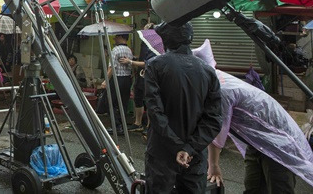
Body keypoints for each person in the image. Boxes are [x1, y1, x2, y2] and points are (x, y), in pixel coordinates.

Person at [192, 42, 313, 193]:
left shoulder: (220, 89)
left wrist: (214, 165)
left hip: (277, 142)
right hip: (255, 142)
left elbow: (217, 128)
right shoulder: (211, 81)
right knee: (253, 187)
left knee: (279, 187)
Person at [144, 22, 222, 194]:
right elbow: (214, 119)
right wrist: (188, 148)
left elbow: (155, 112)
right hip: (194, 155)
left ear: (165, 40)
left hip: (162, 152)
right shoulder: (208, 71)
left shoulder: (154, 65)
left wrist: (178, 146)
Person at [119, 23, 163, 132]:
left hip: (149, 76)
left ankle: (149, 126)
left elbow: (148, 63)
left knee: (149, 100)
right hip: (140, 75)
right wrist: (133, 58)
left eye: (147, 28)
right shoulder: (145, 42)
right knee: (137, 98)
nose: (144, 29)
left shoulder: (155, 45)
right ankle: (137, 123)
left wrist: (131, 61)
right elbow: (142, 58)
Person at [99, 33, 133, 135]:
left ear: (121, 37)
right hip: (127, 79)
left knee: (110, 102)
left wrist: (105, 81)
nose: (114, 38)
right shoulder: (129, 50)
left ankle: (116, 126)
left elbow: (111, 68)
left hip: (117, 79)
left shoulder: (115, 50)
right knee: (123, 103)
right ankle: (122, 126)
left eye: (116, 36)